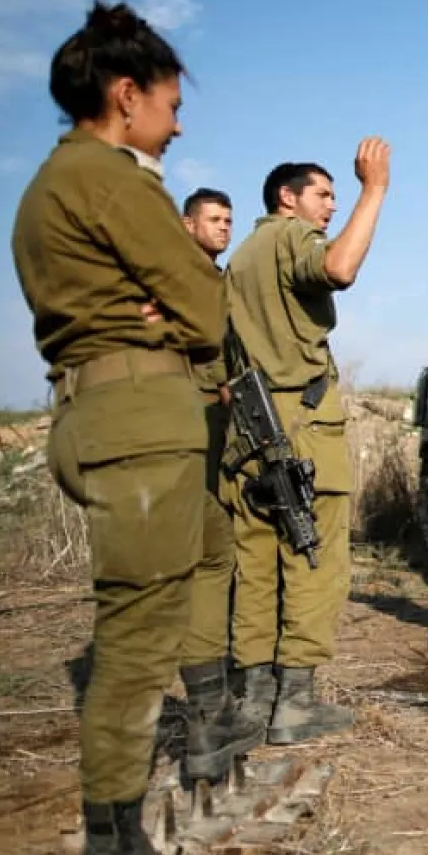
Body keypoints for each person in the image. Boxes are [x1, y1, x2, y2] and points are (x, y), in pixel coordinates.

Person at [10, 0, 234, 855]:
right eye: (171, 104)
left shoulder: (51, 185)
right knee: (138, 649)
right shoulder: (112, 178)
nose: (178, 124)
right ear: (125, 93)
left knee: (146, 624)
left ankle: (122, 854)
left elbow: (173, 304)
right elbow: (209, 310)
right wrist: (169, 308)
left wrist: (161, 308)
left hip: (102, 415)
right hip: (138, 423)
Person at [222, 145, 390, 745]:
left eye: (337, 197)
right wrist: (375, 190)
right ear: (286, 199)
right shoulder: (290, 237)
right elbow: (339, 268)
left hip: (247, 436)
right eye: (323, 195)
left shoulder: (239, 258)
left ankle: (253, 702)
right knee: (314, 563)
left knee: (257, 568)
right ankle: (295, 705)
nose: (331, 206)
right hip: (303, 430)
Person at [175, 187, 265, 777]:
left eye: (230, 220)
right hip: (186, 423)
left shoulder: (216, 277)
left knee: (217, 551)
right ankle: (207, 716)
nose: (224, 228)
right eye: (214, 219)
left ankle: (216, 700)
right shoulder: (178, 277)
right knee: (201, 557)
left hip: (215, 423)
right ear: (188, 224)